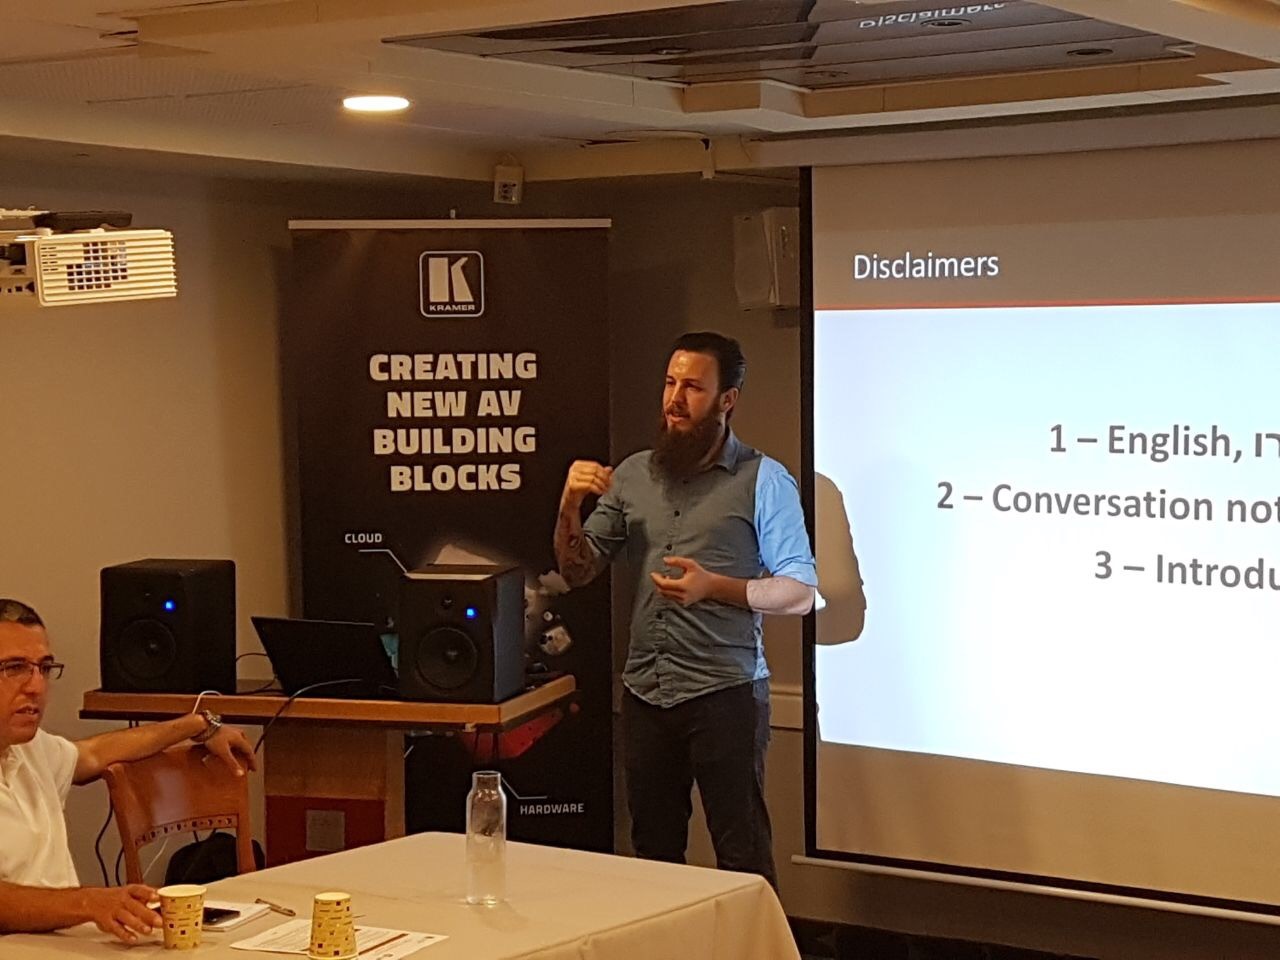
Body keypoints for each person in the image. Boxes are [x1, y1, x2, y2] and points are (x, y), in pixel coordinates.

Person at [555, 331, 816, 888]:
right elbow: (578, 571)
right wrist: (569, 505)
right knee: (653, 856)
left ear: (727, 400)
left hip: (726, 694)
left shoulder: (764, 480)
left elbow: (799, 591)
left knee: (741, 856)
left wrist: (715, 586)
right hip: (646, 693)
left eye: (693, 387)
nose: (675, 399)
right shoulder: (632, 475)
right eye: (670, 383)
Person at [0, 598, 256, 942]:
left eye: (44, 668)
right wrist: (89, 902)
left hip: (67, 943)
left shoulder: (29, 748)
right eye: (14, 668)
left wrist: (198, 726)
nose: (36, 686)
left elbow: (94, 754)